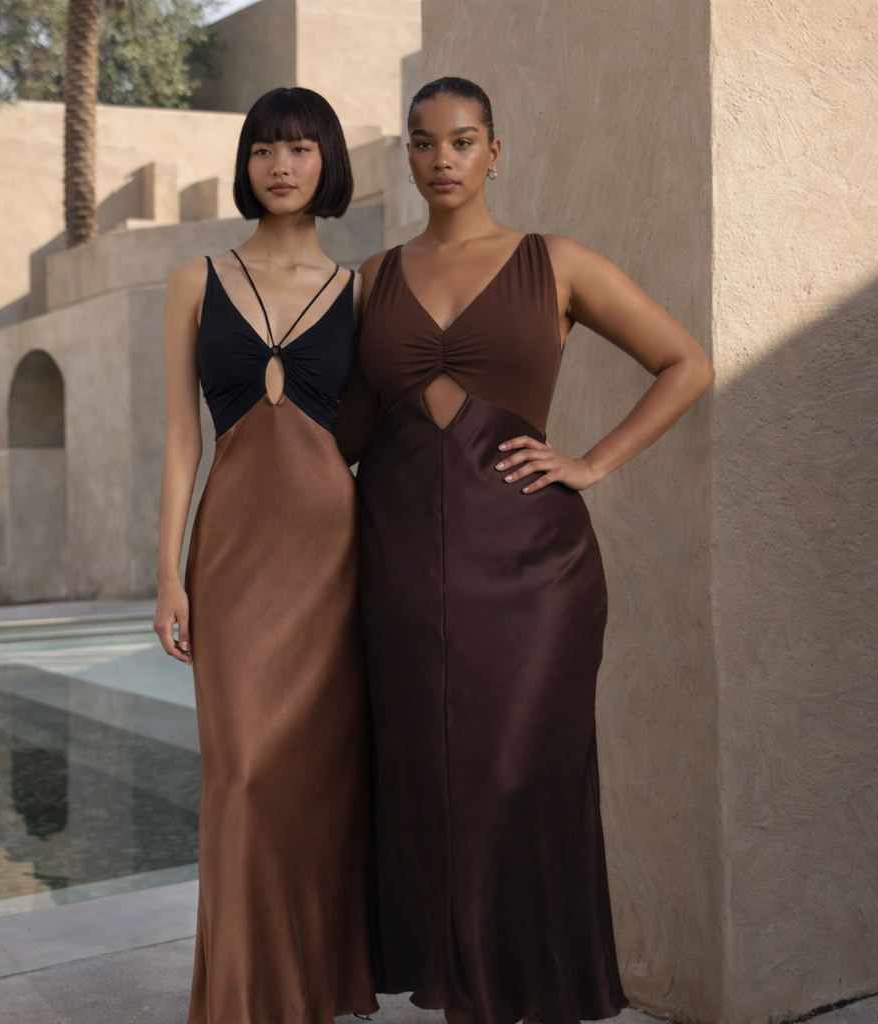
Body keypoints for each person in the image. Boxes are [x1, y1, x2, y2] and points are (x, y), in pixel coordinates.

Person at [338, 77, 715, 1024]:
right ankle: (466, 999)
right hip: (398, 573)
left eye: (463, 141)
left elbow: (686, 363)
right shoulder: (371, 281)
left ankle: (527, 995)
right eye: (424, 144)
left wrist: (591, 462)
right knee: (428, 780)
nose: (443, 160)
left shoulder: (556, 263)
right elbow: (339, 432)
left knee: (514, 777)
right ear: (410, 158)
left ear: (495, 152)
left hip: (532, 572)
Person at [152, 86, 378, 1024]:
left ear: (328, 164)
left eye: (301, 148)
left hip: (333, 560)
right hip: (233, 558)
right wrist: (167, 570)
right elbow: (178, 441)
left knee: (314, 785)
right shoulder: (195, 279)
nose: (281, 165)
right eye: (263, 150)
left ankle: (304, 997)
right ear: (246, 167)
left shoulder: (364, 289)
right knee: (240, 773)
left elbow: (387, 433)